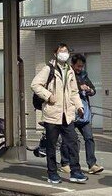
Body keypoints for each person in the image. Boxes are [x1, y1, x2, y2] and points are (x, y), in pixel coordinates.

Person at [30, 43, 87, 185]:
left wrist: (79, 106)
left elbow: (74, 92)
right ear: (55, 54)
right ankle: (52, 173)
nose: (64, 53)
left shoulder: (70, 70)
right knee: (51, 145)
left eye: (66, 51)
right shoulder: (48, 69)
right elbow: (35, 84)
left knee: (73, 142)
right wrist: (48, 96)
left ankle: (76, 172)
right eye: (61, 51)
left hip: (67, 114)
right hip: (52, 114)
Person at [68, 53, 103, 174]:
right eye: (78, 66)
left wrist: (90, 90)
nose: (79, 68)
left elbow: (93, 89)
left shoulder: (84, 75)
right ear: (72, 64)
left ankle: (92, 164)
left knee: (89, 138)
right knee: (70, 139)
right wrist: (79, 87)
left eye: (81, 66)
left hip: (84, 113)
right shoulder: (67, 74)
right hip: (71, 112)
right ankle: (65, 162)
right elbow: (67, 89)